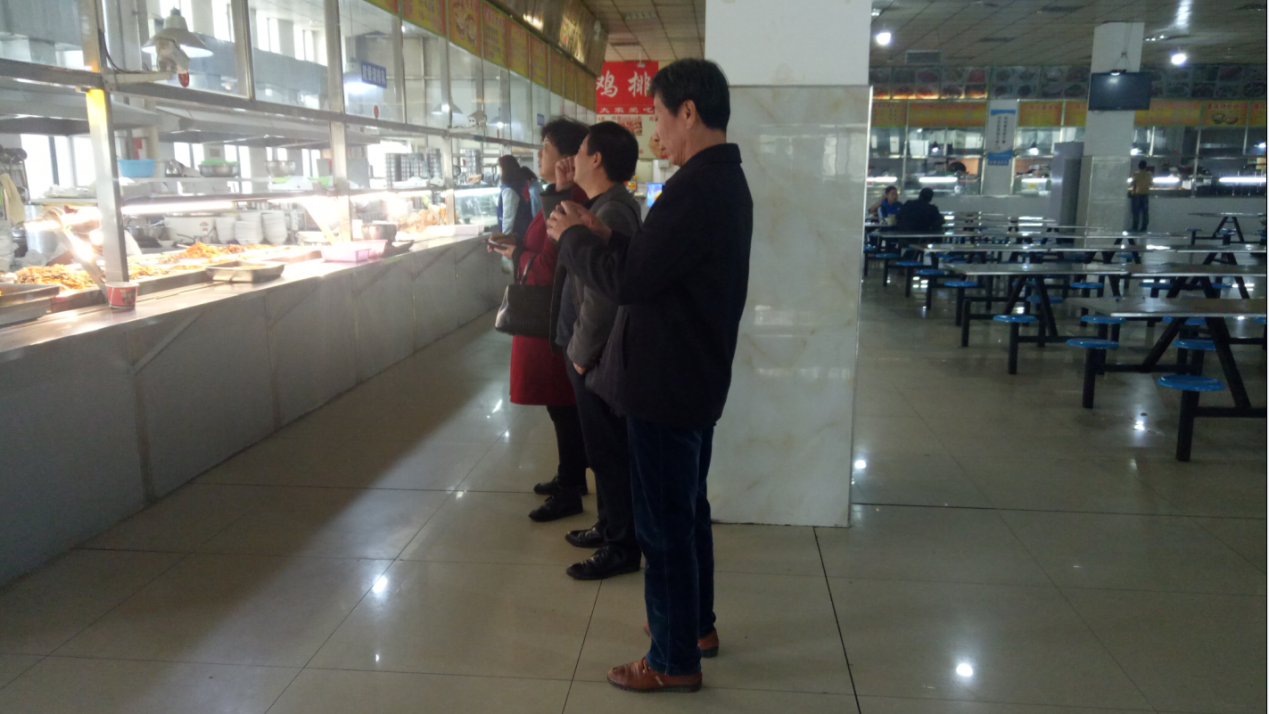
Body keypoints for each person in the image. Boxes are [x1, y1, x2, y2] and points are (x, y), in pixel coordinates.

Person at [546, 58, 752, 694]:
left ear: (688, 111)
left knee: (663, 527)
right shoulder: (718, 181)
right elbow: (657, 265)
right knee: (686, 512)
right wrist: (604, 233)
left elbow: (630, 282)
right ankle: (694, 628)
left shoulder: (696, 188)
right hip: (690, 376)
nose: (655, 131)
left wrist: (574, 240)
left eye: (659, 115)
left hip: (666, 383)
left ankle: (671, 659)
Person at [543, 122, 644, 581]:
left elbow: (603, 295)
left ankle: (621, 545)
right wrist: (563, 191)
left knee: (609, 452)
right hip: (586, 349)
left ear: (597, 159)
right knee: (601, 450)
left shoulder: (614, 211)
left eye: (580, 150)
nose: (573, 158)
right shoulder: (601, 204)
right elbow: (559, 239)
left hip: (595, 355)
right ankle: (609, 526)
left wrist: (581, 354)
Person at [487, 119, 591, 522]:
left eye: (545, 147)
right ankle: (571, 475)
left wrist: (516, 254)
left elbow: (549, 267)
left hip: (553, 317)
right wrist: (517, 244)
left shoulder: (566, 200)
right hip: (554, 315)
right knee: (561, 406)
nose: (539, 154)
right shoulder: (557, 195)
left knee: (563, 405)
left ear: (566, 158)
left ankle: (570, 488)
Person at [496, 155, 532, 239]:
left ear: (505, 169)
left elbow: (508, 218)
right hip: (522, 232)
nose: (500, 170)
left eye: (500, 167)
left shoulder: (509, 190)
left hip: (515, 236)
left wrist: (505, 237)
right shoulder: (519, 184)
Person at [1130, 159, 1153, 232]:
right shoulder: (1149, 174)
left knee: (1136, 212)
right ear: (1146, 166)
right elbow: (1151, 184)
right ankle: (1144, 227)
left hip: (1137, 194)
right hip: (1145, 194)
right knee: (1145, 213)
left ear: (1139, 166)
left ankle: (1135, 227)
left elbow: (1132, 183)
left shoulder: (1136, 174)